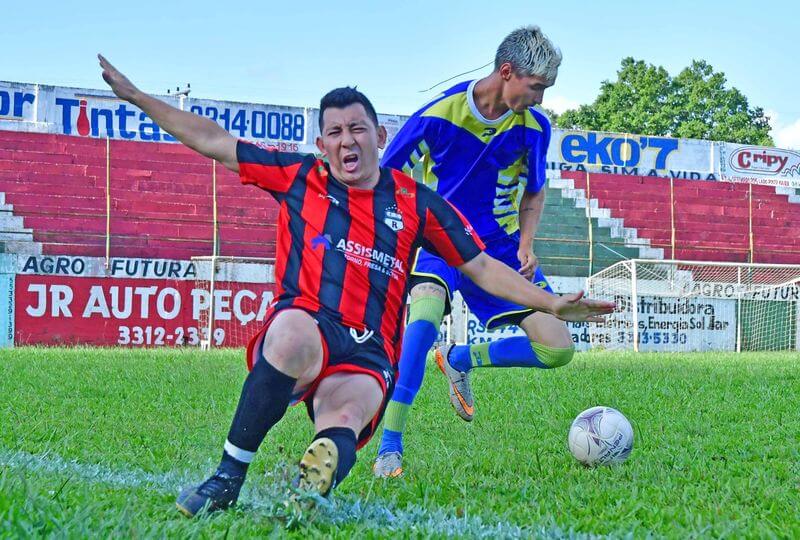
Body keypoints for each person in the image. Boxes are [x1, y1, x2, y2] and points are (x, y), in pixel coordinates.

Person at [98, 53, 614, 516]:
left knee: (345, 414)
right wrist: (140, 98)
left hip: (368, 352)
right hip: (309, 324)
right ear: (322, 144)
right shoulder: (300, 177)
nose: (348, 140)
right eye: (336, 132)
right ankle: (227, 477)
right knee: (293, 335)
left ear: (379, 137)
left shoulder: (415, 202)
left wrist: (551, 303)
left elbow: (481, 266)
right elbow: (213, 140)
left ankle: (309, 489)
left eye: (359, 129)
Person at [374, 26, 572, 478]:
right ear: (508, 72)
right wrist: (401, 232)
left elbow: (535, 195)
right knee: (422, 325)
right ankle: (390, 446)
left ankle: (462, 359)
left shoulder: (535, 128)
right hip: (439, 242)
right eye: (537, 87)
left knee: (558, 349)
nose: (541, 99)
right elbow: (385, 178)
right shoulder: (438, 115)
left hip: (498, 250)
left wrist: (525, 243)